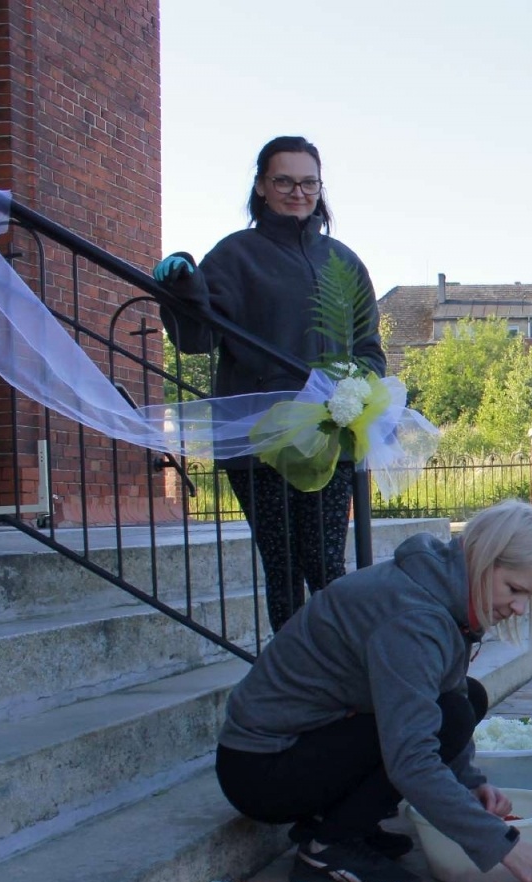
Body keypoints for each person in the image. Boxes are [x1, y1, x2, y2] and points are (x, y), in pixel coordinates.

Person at [214, 499, 532, 882]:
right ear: (482, 559)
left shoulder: (442, 590)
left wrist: (469, 783)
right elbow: (411, 760)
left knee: (464, 701)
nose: (520, 608)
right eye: (514, 589)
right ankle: (328, 849)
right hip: (261, 769)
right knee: (450, 717)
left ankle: (347, 825)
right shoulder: (414, 617)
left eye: (529, 596)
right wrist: (510, 849)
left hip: (300, 744)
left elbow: (448, 691)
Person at [157, 135, 386, 632]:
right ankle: (293, 673)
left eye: (308, 183)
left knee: (325, 565)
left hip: (330, 439)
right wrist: (180, 287)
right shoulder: (236, 256)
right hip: (259, 440)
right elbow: (197, 337)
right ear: (261, 186)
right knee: (282, 568)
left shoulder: (344, 262)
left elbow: (370, 348)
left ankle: (338, 665)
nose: (297, 192)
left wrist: (354, 390)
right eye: (284, 181)